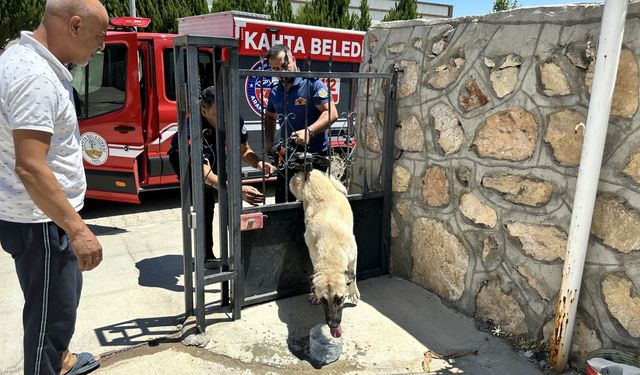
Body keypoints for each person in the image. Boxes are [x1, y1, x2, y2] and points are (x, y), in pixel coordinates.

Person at [0, 0, 108, 374]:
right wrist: (77, 230)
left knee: (54, 306)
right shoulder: (35, 78)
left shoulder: (18, 58)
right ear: (74, 26)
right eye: (99, 36)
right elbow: (31, 167)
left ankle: (59, 361)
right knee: (50, 319)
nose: (102, 46)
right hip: (43, 221)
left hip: (37, 217)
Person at [168, 86, 275, 262]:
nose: (226, 119)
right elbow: (204, 175)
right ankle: (206, 256)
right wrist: (237, 189)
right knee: (204, 203)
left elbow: (244, 150)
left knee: (230, 202)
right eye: (219, 115)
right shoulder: (191, 129)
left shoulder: (233, 118)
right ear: (203, 111)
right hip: (187, 160)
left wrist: (258, 163)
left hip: (216, 154)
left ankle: (235, 253)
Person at [264, 44, 339, 203]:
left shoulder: (312, 84)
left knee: (313, 207)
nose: (281, 72)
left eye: (285, 66)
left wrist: (308, 132)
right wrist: (269, 141)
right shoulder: (275, 91)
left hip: (314, 158)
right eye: (275, 69)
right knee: (284, 206)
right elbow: (270, 116)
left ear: (293, 60)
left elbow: (331, 113)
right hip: (287, 157)